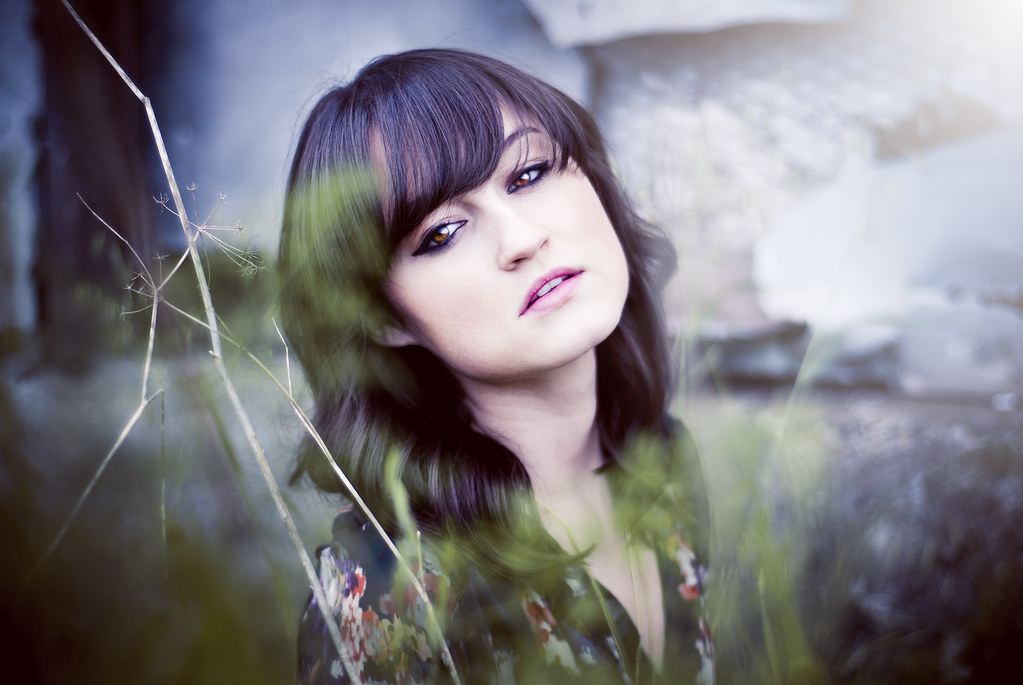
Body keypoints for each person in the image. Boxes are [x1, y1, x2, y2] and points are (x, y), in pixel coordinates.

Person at [278, 48, 714, 684]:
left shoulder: (665, 460)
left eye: (529, 174)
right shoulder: (391, 592)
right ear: (381, 316)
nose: (521, 239)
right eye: (442, 234)